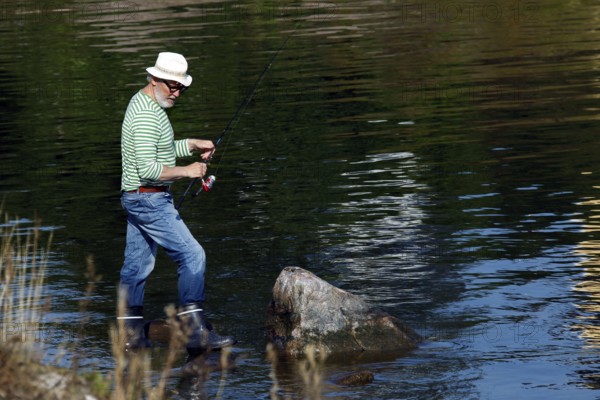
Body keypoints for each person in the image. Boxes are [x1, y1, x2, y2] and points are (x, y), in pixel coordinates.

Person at [118, 52, 236, 354]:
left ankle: (131, 336)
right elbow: (148, 169)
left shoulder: (145, 104)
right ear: (154, 79)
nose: (177, 92)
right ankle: (195, 333)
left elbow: (159, 149)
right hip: (148, 199)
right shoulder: (147, 114)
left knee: (137, 265)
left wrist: (191, 144)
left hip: (137, 197)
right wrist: (188, 170)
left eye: (181, 87)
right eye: (172, 85)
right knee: (193, 255)